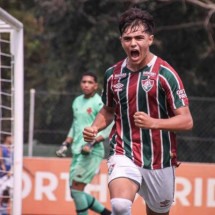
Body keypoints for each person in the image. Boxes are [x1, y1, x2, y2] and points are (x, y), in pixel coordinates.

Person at [83, 7, 193, 215]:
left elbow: (186, 121)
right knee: (120, 205)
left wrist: (154, 123)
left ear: (150, 39)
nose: (133, 43)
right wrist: (95, 127)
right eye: (127, 38)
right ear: (121, 41)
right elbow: (108, 110)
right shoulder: (112, 75)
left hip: (159, 159)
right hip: (123, 151)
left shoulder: (165, 74)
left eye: (139, 37)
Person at [56, 72, 112, 215]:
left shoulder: (99, 103)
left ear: (96, 86)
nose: (86, 85)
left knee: (76, 189)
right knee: (74, 191)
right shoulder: (77, 101)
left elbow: (108, 127)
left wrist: (91, 144)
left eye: (90, 82)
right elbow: (75, 126)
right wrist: (66, 144)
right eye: (84, 82)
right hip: (77, 151)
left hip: (91, 152)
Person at [0, 134, 13, 215]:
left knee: (8, 191)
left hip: (9, 175)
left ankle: (4, 210)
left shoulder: (13, 149)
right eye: (11, 137)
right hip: (2, 174)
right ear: (7, 138)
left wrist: (11, 170)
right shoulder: (2, 147)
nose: (13, 139)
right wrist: (2, 165)